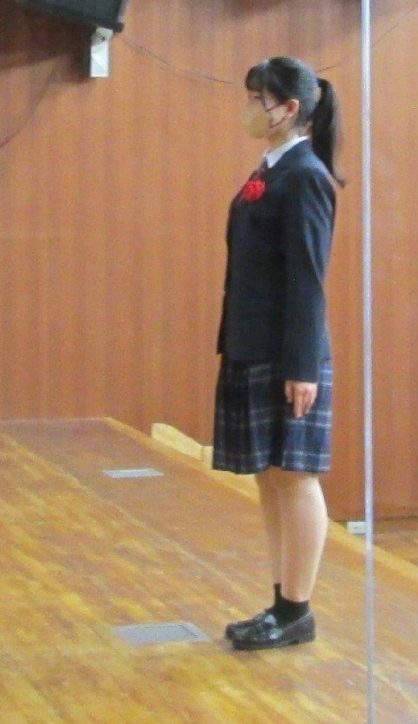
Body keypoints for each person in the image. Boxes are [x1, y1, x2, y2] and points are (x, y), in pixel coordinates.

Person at [214, 57, 343, 651]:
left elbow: (308, 278)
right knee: (269, 479)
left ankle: (297, 610)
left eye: (256, 98)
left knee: (295, 478)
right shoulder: (269, 169)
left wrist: (302, 366)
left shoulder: (306, 174)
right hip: (252, 345)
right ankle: (279, 603)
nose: (247, 108)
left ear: (288, 108)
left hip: (288, 354)